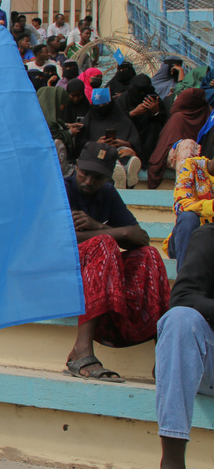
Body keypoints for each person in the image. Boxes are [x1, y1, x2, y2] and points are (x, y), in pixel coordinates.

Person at [64, 142, 170, 383]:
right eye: (84, 173)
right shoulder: (61, 189)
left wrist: (99, 226)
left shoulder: (107, 193)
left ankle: (164, 356)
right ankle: (81, 350)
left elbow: (140, 238)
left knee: (150, 255)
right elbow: (62, 239)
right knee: (104, 244)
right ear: (76, 166)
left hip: (96, 270)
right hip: (56, 271)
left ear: (108, 177)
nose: (89, 182)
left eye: (97, 177)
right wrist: (115, 234)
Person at [136, 224, 214, 469]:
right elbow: (183, 297)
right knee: (180, 319)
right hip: (209, 363)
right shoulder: (208, 238)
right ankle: (171, 466)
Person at [148, 88, 209, 190]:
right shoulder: (178, 117)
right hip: (174, 156)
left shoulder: (206, 116)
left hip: (200, 158)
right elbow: (165, 148)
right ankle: (184, 190)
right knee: (188, 144)